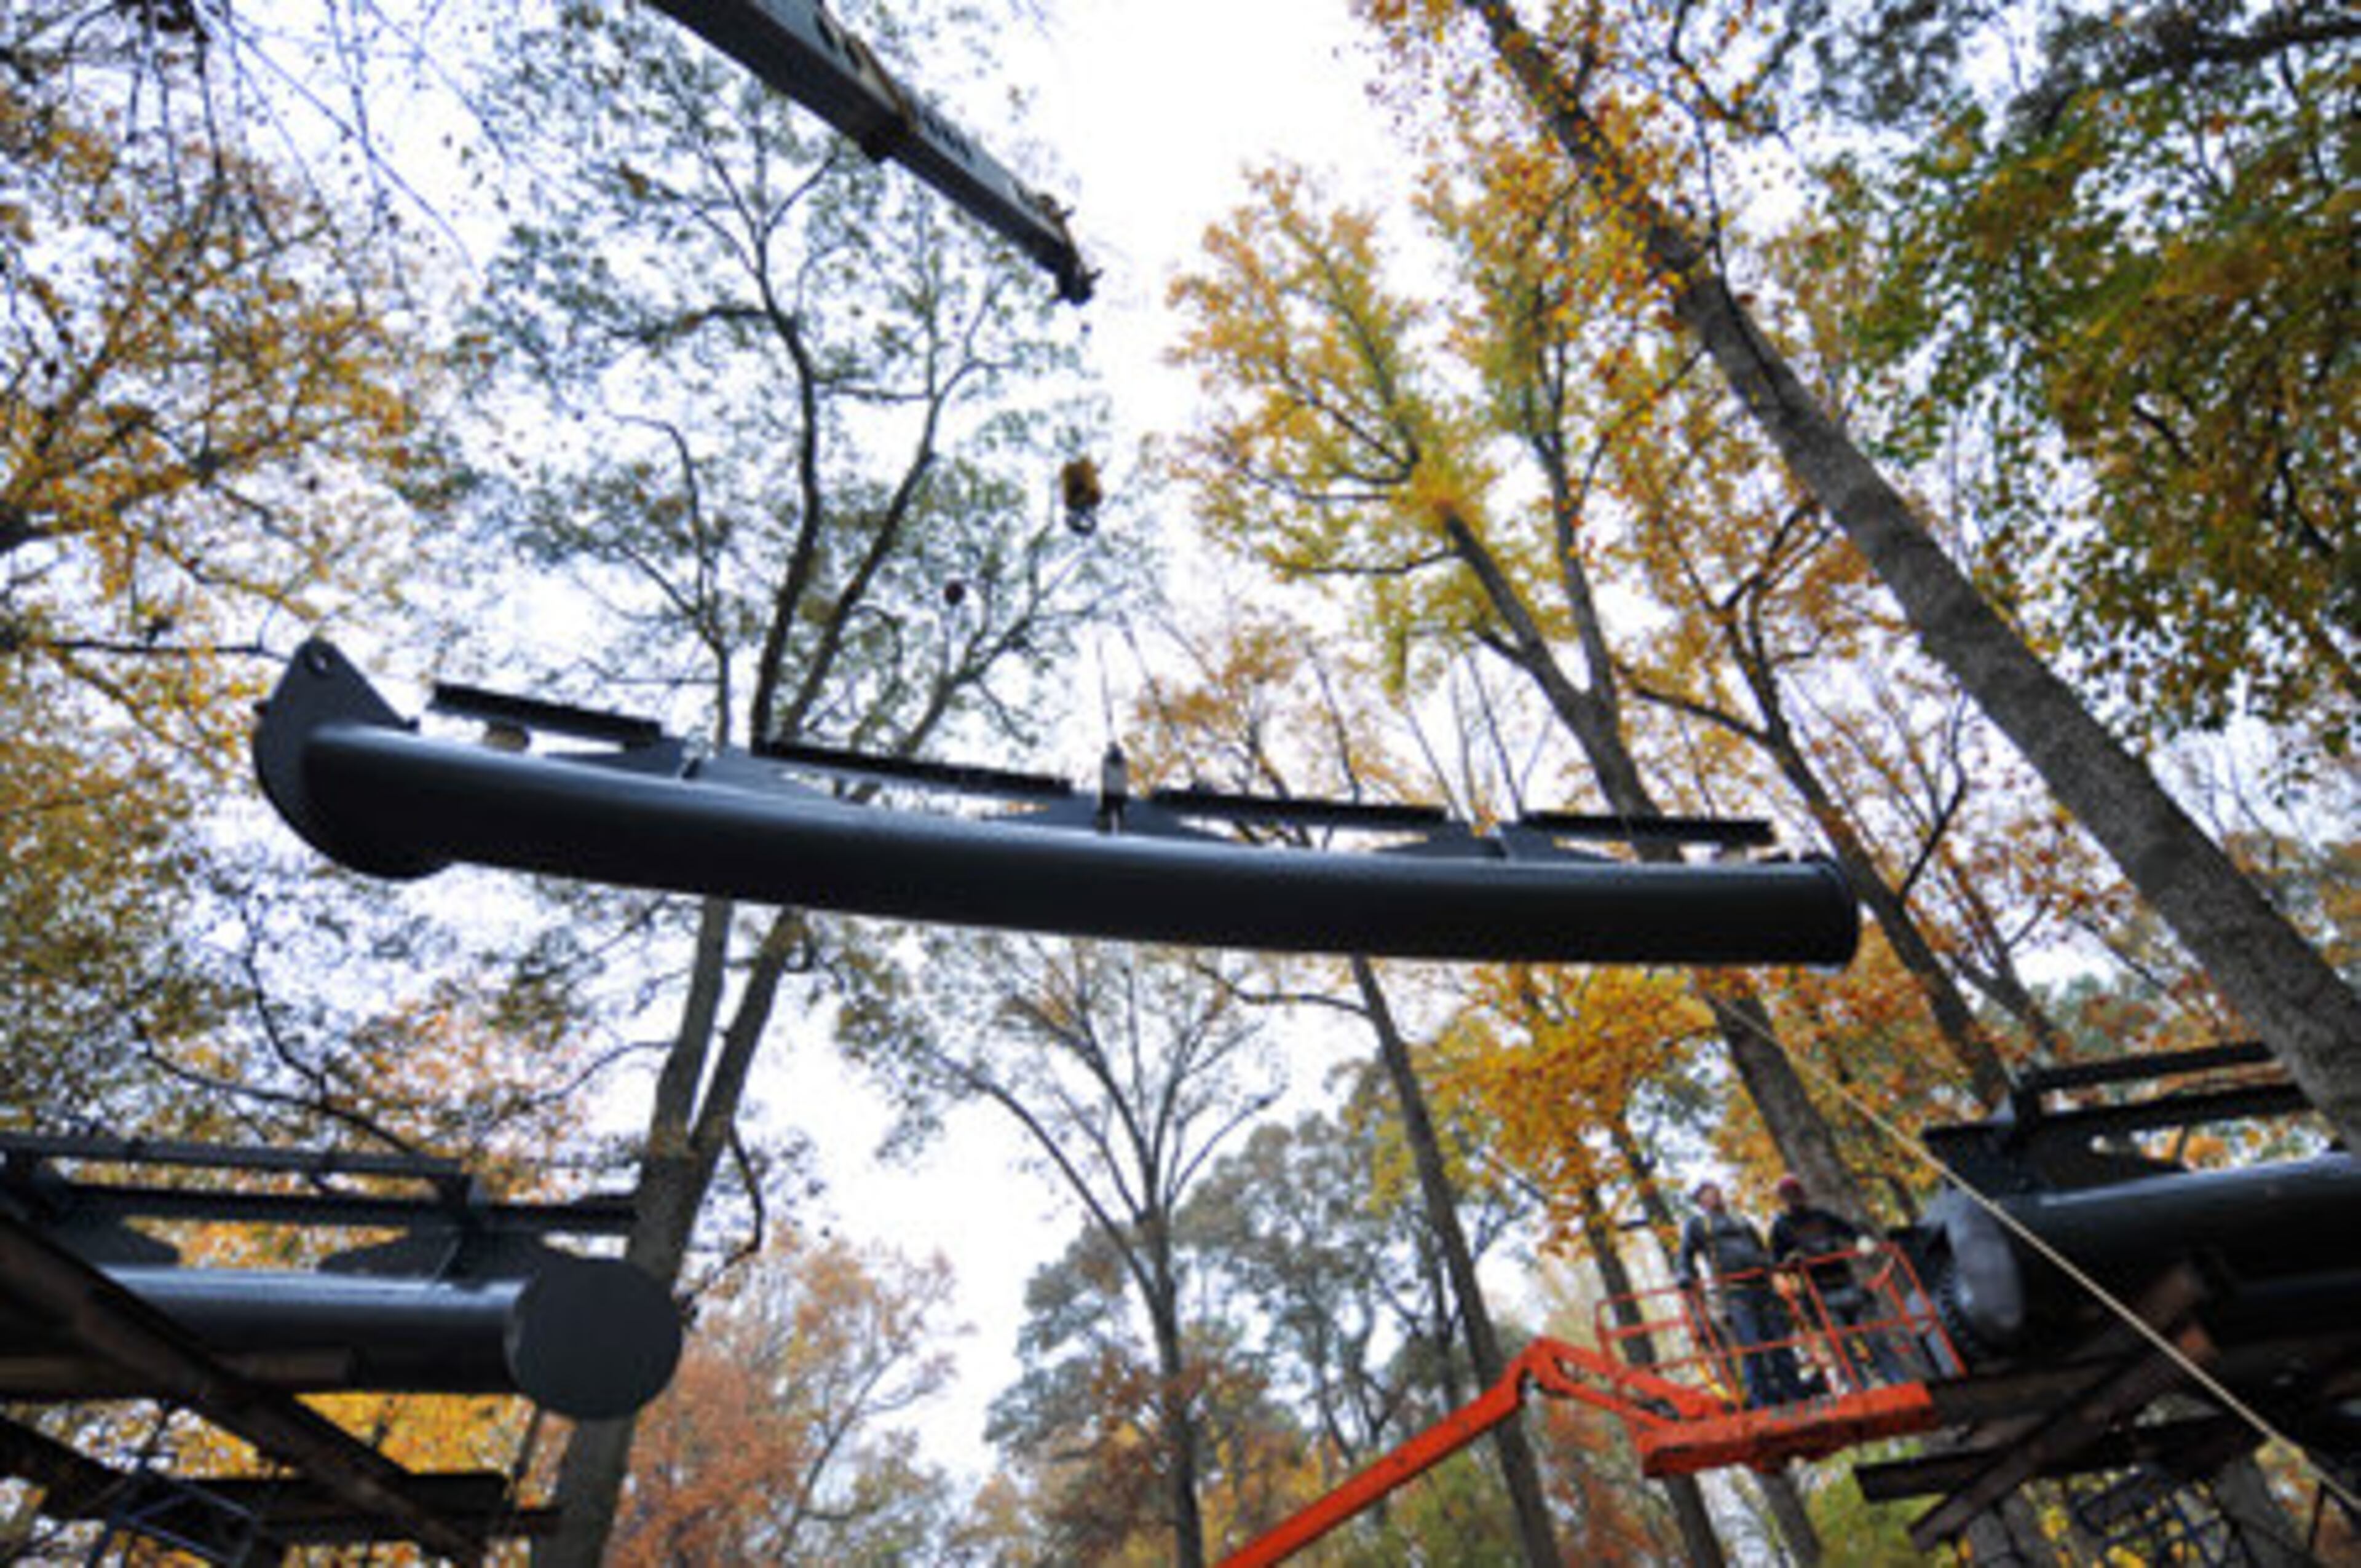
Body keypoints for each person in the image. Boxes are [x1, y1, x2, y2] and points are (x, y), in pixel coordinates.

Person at [1767, 1173, 1909, 1388]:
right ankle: (1857, 1388)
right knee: (1842, 1346)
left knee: (1875, 1339)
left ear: (1802, 1193)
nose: (1793, 1197)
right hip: (1820, 1294)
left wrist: (1860, 1240)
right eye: (1787, 1194)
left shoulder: (1822, 1216)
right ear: (1782, 1199)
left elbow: (1847, 1230)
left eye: (1795, 1192)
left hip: (1847, 1286)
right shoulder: (1781, 1228)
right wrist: (1791, 1261)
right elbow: (1777, 1261)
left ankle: (1898, 1382)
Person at [1677, 1178, 1808, 1409]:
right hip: (1735, 1294)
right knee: (1751, 1348)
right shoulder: (1698, 1225)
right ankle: (1762, 1403)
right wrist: (1686, 1277)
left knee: (1780, 1344)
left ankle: (1796, 1396)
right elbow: (1685, 1255)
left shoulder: (1741, 1220)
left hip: (1764, 1288)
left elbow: (1761, 1248)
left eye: (1714, 1191)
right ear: (1700, 1202)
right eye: (1705, 1194)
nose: (1712, 1196)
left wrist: (1777, 1267)